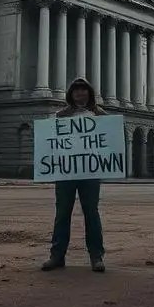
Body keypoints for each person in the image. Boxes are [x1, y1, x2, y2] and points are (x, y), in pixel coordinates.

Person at [41, 76, 107, 273]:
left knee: (92, 213)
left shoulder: (100, 115)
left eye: (83, 89)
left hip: (90, 171)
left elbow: (109, 140)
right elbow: (50, 141)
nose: (80, 92)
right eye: (76, 89)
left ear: (89, 93)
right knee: (62, 213)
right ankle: (57, 256)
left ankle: (96, 256)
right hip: (65, 171)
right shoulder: (60, 115)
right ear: (71, 94)